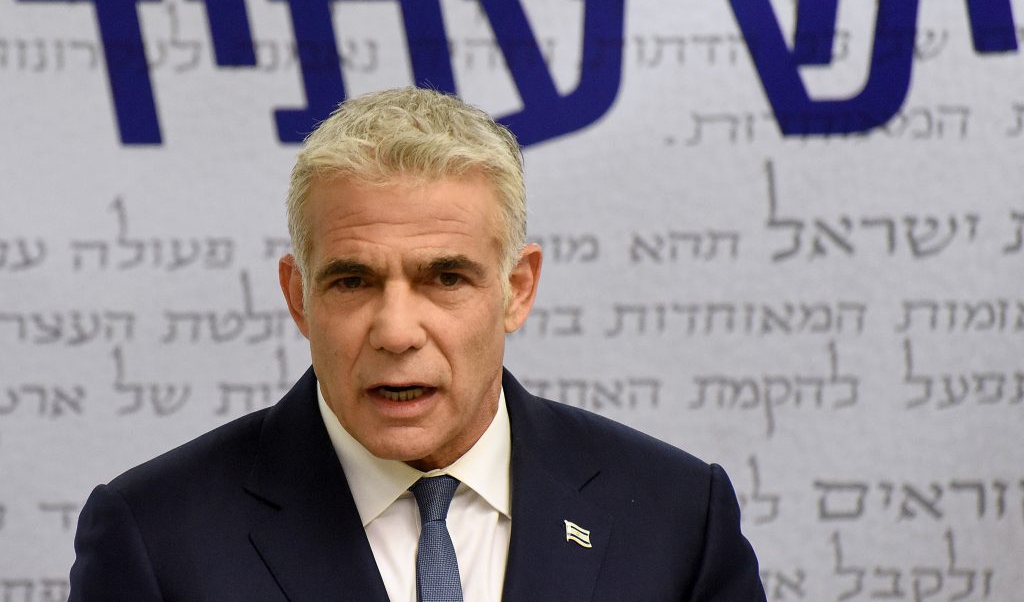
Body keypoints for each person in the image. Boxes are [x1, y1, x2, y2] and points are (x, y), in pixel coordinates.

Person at [69, 87, 766, 601]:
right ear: (298, 297)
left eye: (445, 278)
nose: (397, 331)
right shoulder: (154, 538)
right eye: (351, 281)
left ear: (517, 289)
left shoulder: (678, 518)